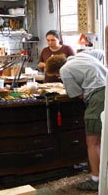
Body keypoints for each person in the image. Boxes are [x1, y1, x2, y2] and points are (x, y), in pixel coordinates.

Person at [45, 50, 106, 191]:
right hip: (106, 88)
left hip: (98, 97)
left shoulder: (65, 70)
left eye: (56, 75)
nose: (58, 77)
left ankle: (96, 180)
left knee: (93, 142)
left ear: (57, 70)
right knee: (104, 140)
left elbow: (77, 95)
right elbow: (100, 53)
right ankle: (104, 175)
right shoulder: (81, 56)